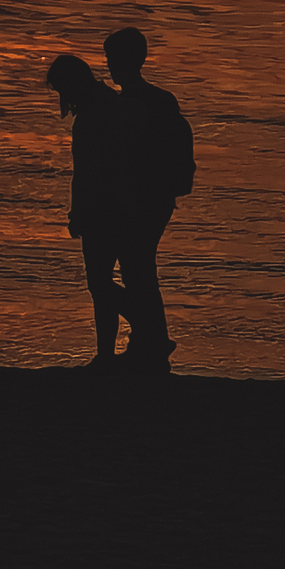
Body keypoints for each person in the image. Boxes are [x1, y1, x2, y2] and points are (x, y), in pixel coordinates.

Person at [45, 52, 161, 370]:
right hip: (128, 206)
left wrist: (77, 213)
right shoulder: (113, 103)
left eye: (60, 89)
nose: (61, 97)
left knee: (99, 283)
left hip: (104, 209)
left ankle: (147, 331)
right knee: (104, 282)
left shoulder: (94, 114)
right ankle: (110, 353)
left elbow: (88, 171)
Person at [100, 24, 195, 372]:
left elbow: (130, 156)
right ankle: (149, 341)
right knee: (140, 271)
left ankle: (152, 338)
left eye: (112, 58)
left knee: (135, 270)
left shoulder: (134, 103)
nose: (109, 65)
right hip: (158, 197)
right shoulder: (160, 99)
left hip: (144, 198)